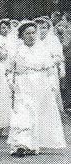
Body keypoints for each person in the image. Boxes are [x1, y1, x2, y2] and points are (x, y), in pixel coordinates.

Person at [7, 21, 67, 156]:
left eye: (33, 33)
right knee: (23, 113)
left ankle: (34, 144)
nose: (31, 36)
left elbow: (50, 70)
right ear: (21, 36)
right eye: (27, 33)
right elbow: (9, 70)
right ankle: (21, 144)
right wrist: (11, 82)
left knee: (38, 113)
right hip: (22, 85)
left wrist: (52, 85)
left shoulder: (43, 50)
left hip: (40, 84)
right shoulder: (16, 51)